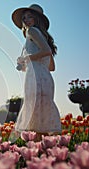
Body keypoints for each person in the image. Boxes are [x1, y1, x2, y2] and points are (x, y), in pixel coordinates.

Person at [12, 4, 61, 141]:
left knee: (35, 112)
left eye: (30, 17)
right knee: (41, 114)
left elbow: (46, 51)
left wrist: (28, 59)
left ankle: (37, 153)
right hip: (45, 76)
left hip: (36, 78)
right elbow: (51, 67)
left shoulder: (32, 32)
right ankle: (45, 151)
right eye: (24, 17)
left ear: (37, 19)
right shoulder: (41, 36)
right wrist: (28, 63)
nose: (26, 20)